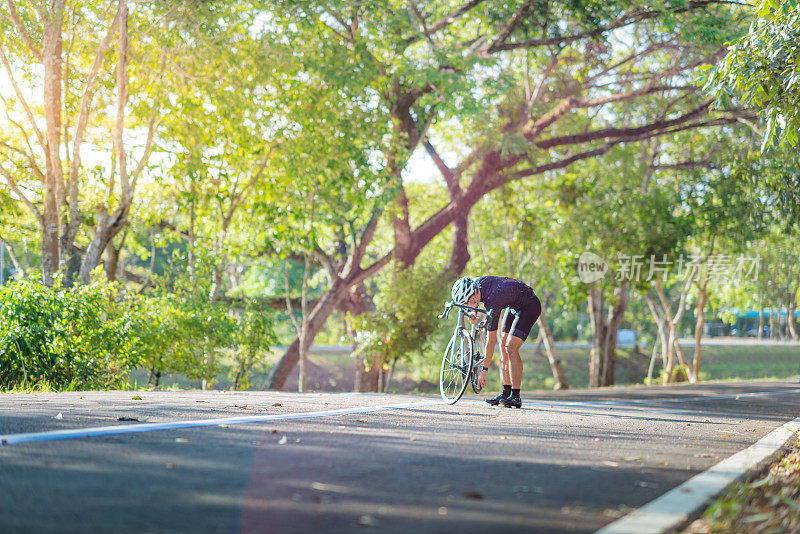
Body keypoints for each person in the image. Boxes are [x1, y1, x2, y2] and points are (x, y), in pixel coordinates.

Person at [451, 276, 541, 408]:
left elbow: (491, 340)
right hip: (513, 305)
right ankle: (506, 393)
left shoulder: (493, 300)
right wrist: (473, 312)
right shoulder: (474, 284)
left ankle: (515, 396)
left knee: (510, 348)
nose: (466, 306)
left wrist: (484, 369)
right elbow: (471, 304)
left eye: (466, 303)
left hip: (529, 306)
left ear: (473, 297)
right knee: (504, 347)